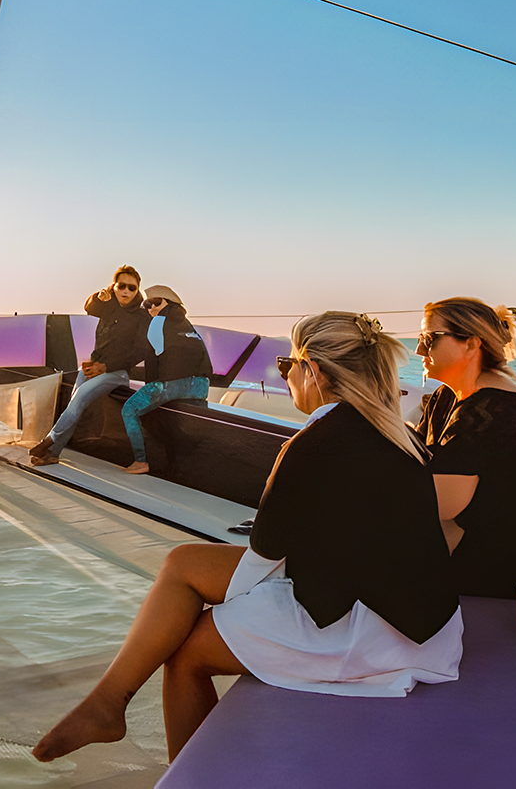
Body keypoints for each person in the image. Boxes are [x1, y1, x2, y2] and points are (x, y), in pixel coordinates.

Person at [35, 312, 461, 764]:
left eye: (286, 365)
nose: (285, 375)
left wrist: (206, 613)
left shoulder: (312, 446)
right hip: (422, 619)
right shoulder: (398, 434)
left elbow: (263, 560)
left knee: (184, 654)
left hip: (376, 635)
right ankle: (108, 702)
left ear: (313, 371)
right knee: (182, 562)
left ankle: (181, 767)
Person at [414, 297, 516, 596]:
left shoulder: (491, 412)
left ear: (471, 344)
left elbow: (437, 505)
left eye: (429, 339)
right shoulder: (448, 397)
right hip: (480, 537)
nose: (418, 350)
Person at [28, 266, 147, 466]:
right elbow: (90, 307)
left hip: (117, 373)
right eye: (121, 286)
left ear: (137, 290)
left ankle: (49, 441)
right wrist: (104, 294)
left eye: (132, 288)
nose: (126, 291)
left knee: (80, 397)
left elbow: (138, 353)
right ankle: (53, 453)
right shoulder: (111, 307)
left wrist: (105, 367)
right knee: (75, 401)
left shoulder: (142, 316)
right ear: (114, 287)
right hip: (94, 367)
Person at [120, 285, 212, 475]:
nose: (151, 308)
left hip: (173, 384)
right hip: (201, 386)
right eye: (147, 304)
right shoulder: (188, 325)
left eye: (156, 303)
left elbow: (155, 352)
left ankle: (140, 461)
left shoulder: (158, 322)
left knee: (129, 410)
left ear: (168, 304)